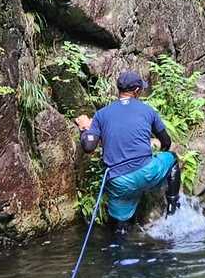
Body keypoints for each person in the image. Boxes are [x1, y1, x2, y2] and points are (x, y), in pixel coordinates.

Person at [76, 69, 182, 239]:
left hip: (120, 182)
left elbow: (88, 146)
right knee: (172, 159)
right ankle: (172, 211)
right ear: (137, 91)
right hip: (147, 172)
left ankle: (120, 243)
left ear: (119, 90)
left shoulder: (101, 115)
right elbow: (166, 142)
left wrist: (84, 129)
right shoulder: (147, 110)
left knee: (119, 228)